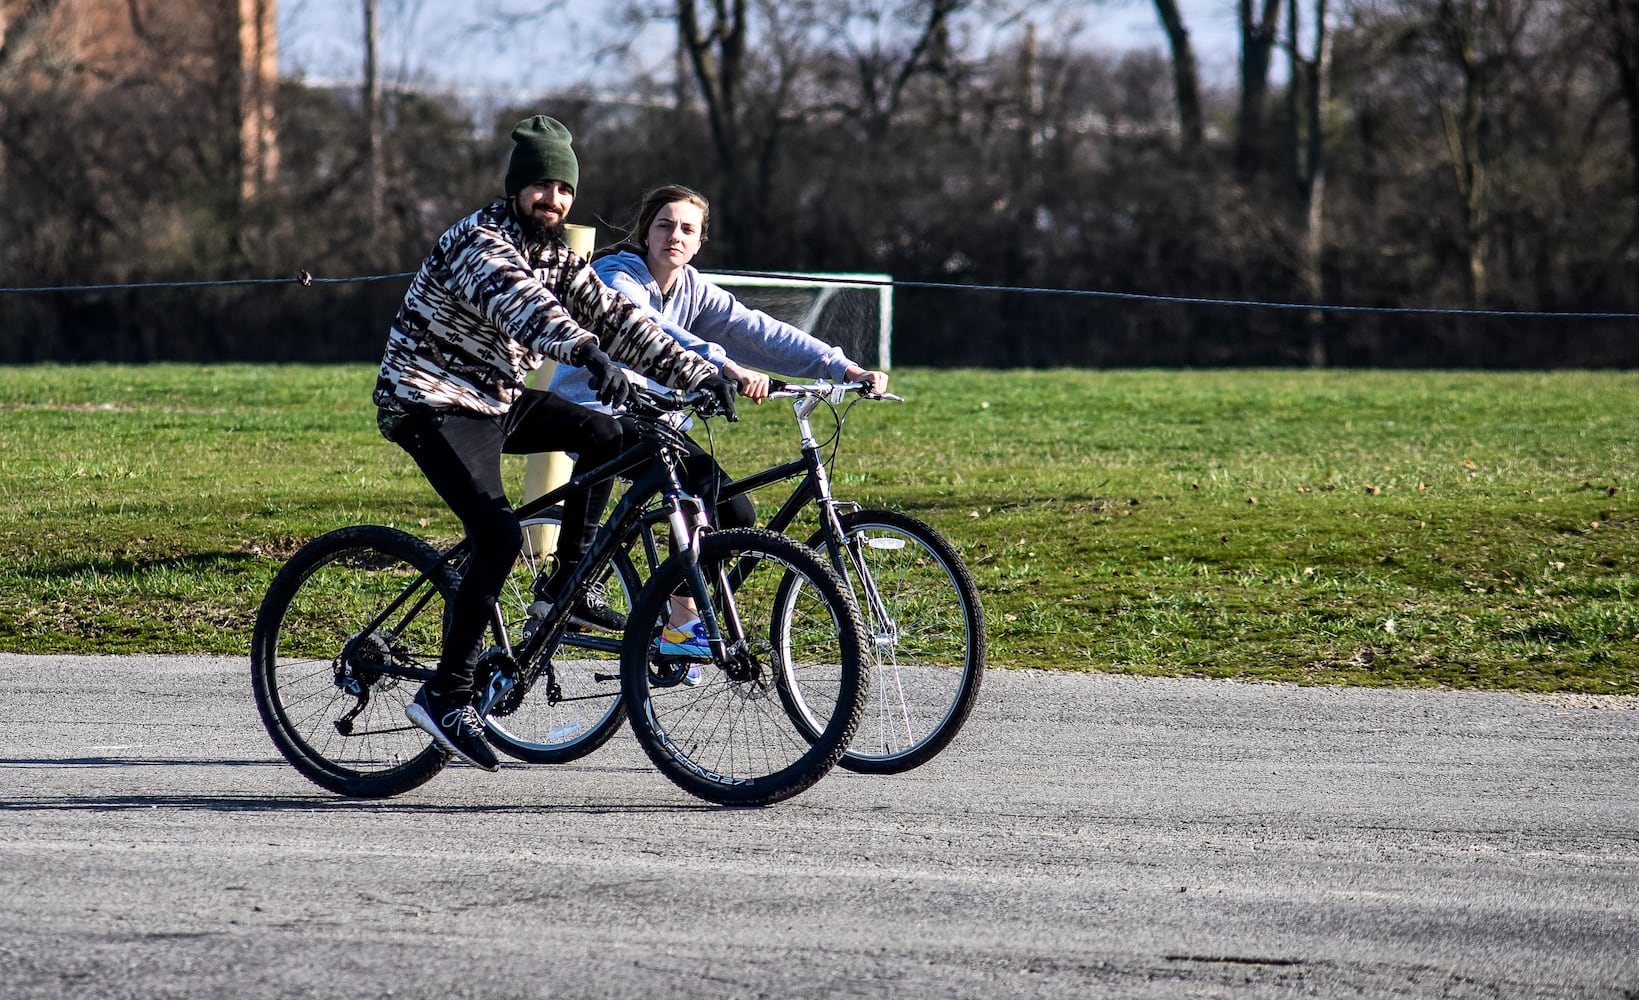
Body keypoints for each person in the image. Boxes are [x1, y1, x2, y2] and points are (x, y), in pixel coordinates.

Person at [375, 119, 738, 770]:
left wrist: (696, 374)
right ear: (516, 188)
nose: (554, 199)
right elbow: (525, 310)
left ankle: (567, 584)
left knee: (604, 431)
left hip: (496, 399)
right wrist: (585, 354)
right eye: (542, 184)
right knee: (497, 537)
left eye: (564, 188)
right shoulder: (478, 241)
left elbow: (614, 315)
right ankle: (444, 694)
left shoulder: (551, 251)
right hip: (428, 399)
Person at [548, 183, 887, 665]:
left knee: (733, 516)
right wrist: (722, 366)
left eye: (688, 228)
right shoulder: (615, 274)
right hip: (596, 410)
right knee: (667, 479)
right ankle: (609, 598)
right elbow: (645, 326)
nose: (675, 236)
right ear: (646, 231)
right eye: (665, 225)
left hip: (652, 418)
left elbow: (758, 331)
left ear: (700, 240)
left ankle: (679, 620)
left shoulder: (692, 288)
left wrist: (843, 368)